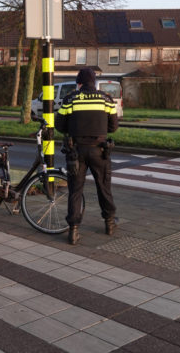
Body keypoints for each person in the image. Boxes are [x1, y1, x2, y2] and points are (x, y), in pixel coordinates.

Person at [56, 67, 119, 245]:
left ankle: (74, 231)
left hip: (76, 151)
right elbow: (113, 127)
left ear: (79, 82)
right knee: (104, 187)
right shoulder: (106, 99)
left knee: (75, 190)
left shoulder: (70, 99)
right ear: (94, 82)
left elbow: (60, 125)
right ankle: (109, 223)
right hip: (100, 150)